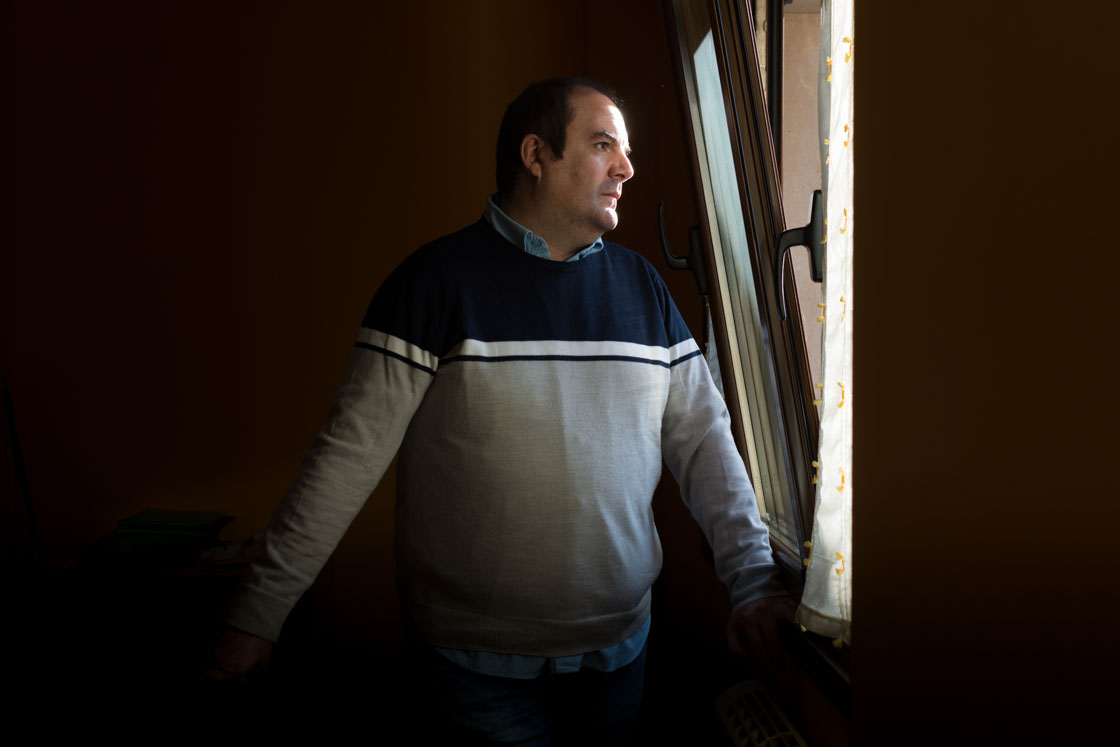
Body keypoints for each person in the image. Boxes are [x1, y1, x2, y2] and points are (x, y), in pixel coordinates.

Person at [209, 77, 793, 743]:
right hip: (470, 670)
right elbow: (344, 461)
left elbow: (708, 446)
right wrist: (256, 615)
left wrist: (753, 582)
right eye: (603, 145)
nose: (627, 168)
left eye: (624, 150)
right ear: (535, 154)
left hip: (620, 655)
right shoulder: (432, 285)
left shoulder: (645, 289)